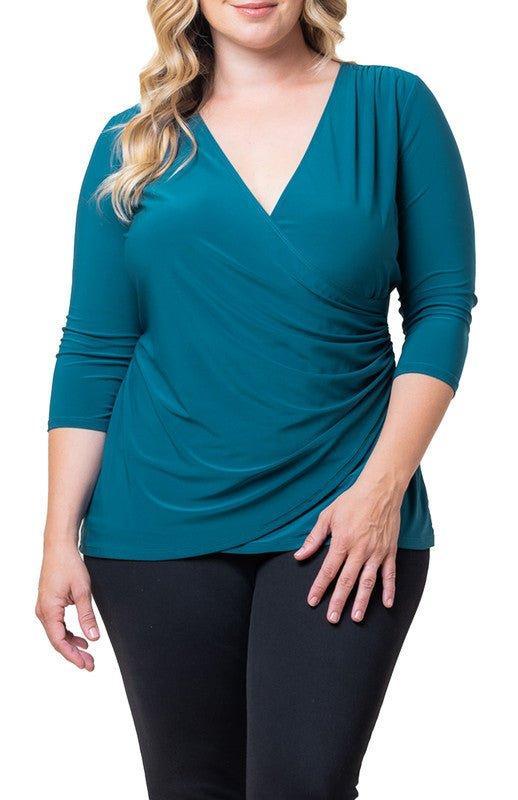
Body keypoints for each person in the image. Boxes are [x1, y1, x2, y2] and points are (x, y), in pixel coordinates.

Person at [36, 0, 477, 797]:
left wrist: (379, 492)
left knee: (303, 784)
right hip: (155, 523)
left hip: (342, 516)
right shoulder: (133, 143)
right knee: (191, 787)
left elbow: (441, 309)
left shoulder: (391, 106)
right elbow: (96, 347)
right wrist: (58, 537)